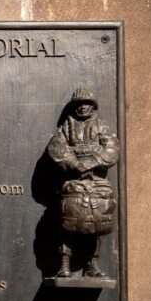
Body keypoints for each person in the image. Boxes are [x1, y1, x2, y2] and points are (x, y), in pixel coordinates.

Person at [47, 87, 119, 278]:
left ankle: (92, 262)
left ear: (93, 106)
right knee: (69, 217)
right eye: (79, 104)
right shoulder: (66, 128)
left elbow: (112, 149)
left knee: (98, 217)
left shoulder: (101, 128)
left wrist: (93, 162)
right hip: (74, 180)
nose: (82, 107)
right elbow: (56, 148)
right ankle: (64, 262)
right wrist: (74, 164)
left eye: (86, 103)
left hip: (97, 181)